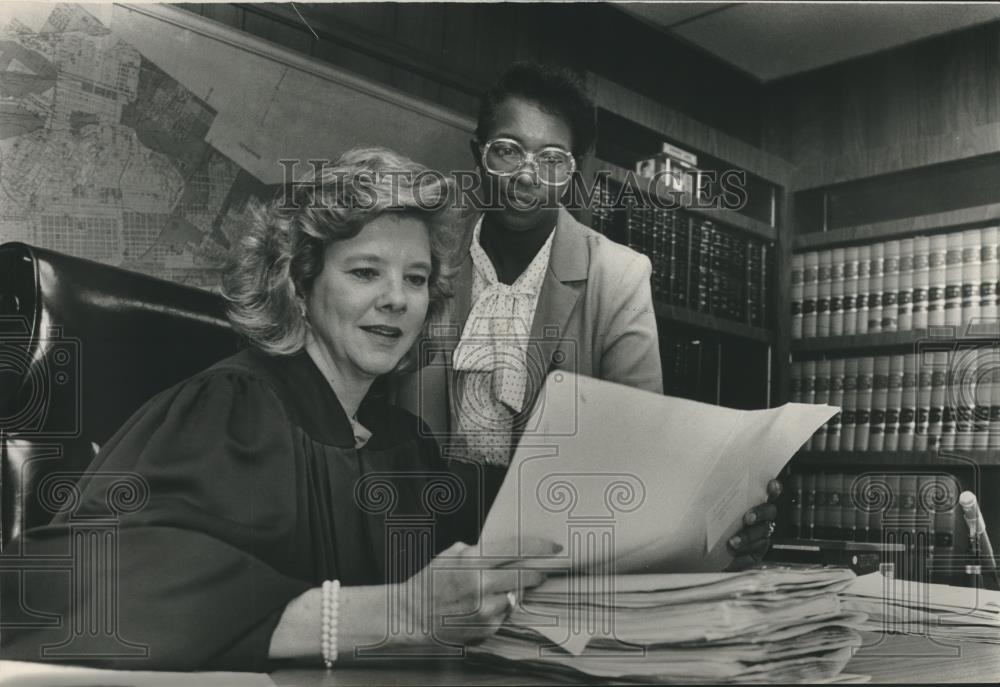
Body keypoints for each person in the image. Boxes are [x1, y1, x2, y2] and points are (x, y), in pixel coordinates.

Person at [0, 148, 550, 671]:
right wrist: (397, 613)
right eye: (365, 272)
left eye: (416, 278)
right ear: (299, 284)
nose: (397, 299)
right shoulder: (230, 408)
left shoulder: (407, 442)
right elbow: (93, 589)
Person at [394, 61, 779, 568]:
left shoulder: (617, 276)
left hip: (550, 554)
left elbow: (640, 443)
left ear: (573, 173)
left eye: (552, 159)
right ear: (479, 154)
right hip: (415, 541)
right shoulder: (425, 253)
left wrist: (724, 512)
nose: (527, 176)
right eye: (508, 151)